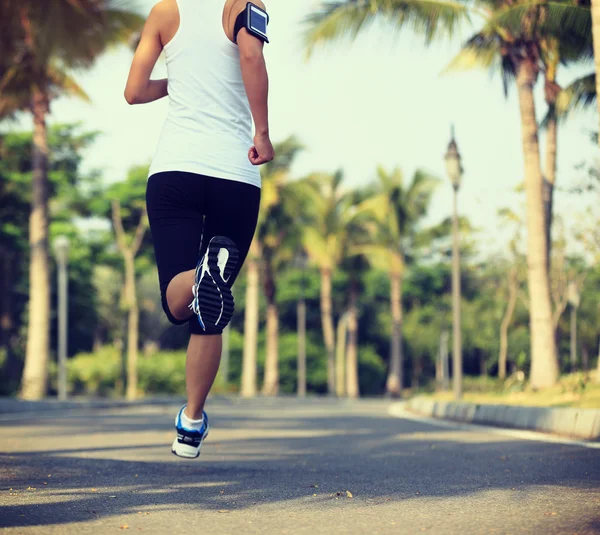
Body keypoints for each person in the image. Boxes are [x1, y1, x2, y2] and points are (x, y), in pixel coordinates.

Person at [124, 0, 274, 459]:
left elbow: (132, 92)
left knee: (180, 297)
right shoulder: (245, 5)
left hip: (175, 171)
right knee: (210, 311)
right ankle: (191, 421)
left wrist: (179, 81)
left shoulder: (164, 12)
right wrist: (262, 132)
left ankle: (203, 274)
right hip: (234, 172)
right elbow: (251, 56)